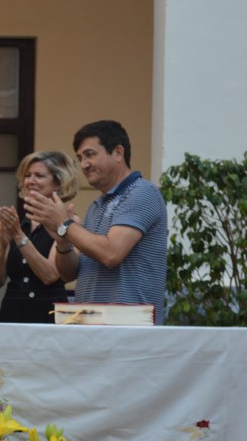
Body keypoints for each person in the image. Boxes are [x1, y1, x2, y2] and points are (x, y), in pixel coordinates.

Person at [24, 120, 168, 324]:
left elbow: (111, 254)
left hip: (131, 326)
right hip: (88, 323)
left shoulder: (142, 192)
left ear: (118, 153)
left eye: (90, 154)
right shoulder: (96, 206)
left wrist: (64, 224)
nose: (83, 164)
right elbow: (68, 275)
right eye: (80, 158)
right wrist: (63, 243)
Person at [0, 151, 80, 323]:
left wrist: (18, 236)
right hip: (12, 312)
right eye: (28, 175)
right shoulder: (21, 224)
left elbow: (51, 275)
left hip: (49, 312)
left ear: (57, 182)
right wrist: (2, 245)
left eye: (39, 175)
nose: (31, 181)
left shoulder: (69, 221)